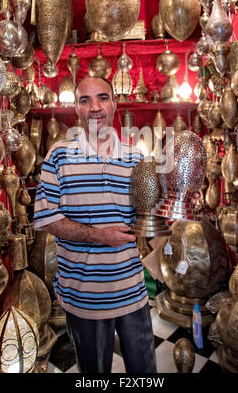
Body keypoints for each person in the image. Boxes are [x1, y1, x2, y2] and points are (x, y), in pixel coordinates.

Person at [34, 75, 157, 374]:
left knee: (145, 374)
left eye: (102, 98)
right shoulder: (59, 156)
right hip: (83, 295)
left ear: (115, 103)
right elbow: (46, 218)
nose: (95, 108)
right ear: (76, 109)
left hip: (131, 291)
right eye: (85, 100)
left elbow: (147, 217)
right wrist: (100, 237)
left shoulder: (135, 158)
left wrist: (169, 201)